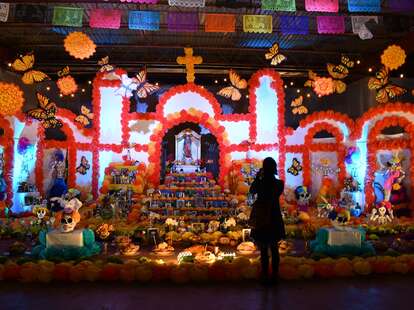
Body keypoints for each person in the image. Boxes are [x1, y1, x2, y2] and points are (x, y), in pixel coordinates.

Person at [249, 157, 285, 284]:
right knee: (274, 248)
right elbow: (276, 193)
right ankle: (275, 275)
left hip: (262, 216)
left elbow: (252, 191)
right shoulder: (279, 183)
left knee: (263, 248)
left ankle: (264, 275)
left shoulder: (260, 183)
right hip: (274, 216)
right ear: (274, 167)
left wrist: (258, 178)